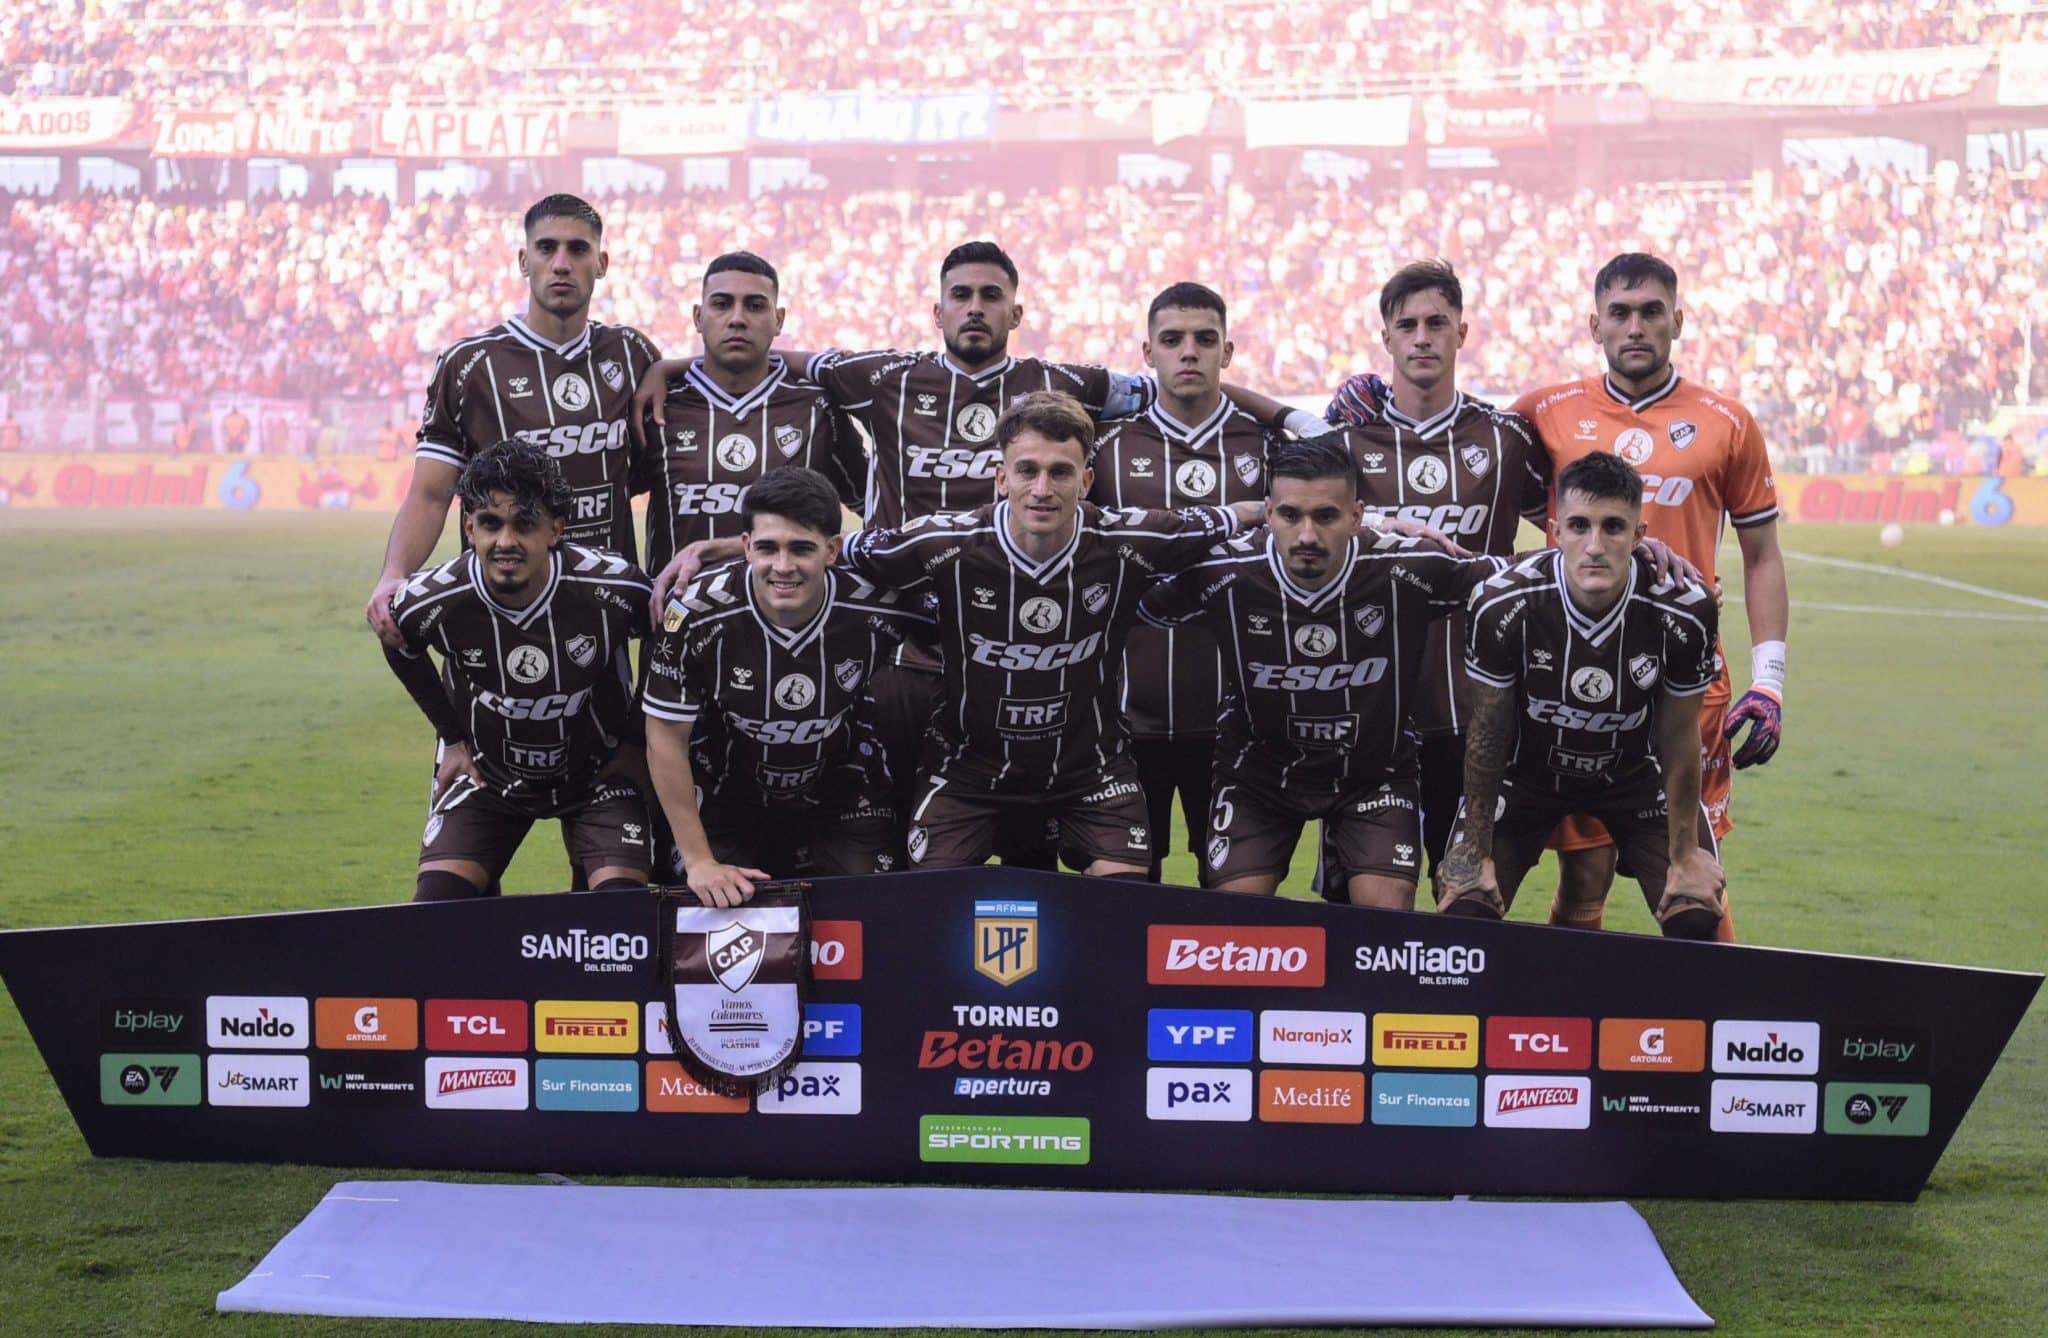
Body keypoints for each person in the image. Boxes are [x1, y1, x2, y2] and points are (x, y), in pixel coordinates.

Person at [634, 241, 1325, 869]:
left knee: (1030, 854)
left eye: (990, 296)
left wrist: (1284, 417)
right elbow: (768, 352)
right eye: (960, 295)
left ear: (1015, 310)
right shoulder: (884, 377)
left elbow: (1180, 383)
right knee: (903, 852)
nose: (974, 308)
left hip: (1022, 644)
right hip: (905, 654)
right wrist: (675, 365)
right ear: (936, 309)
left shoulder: (1064, 382)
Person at [836, 391, 1264, 875]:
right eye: (1027, 471)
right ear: (1002, 478)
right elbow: (831, 549)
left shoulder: (1129, 541)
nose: (1042, 488)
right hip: (966, 769)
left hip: (1091, 770)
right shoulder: (944, 543)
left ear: (1085, 482)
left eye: (1060, 472)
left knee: (1122, 902)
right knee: (933, 902)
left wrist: (1276, 510)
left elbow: (1230, 517)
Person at [364, 194, 661, 891]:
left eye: (578, 250)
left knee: (610, 864)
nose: (562, 263)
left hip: (600, 630)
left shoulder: (632, 354)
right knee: (456, 863)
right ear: (523, 258)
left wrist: (669, 367)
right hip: (493, 621)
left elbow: (664, 477)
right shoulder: (471, 364)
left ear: (601, 263)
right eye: (548, 248)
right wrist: (392, 576)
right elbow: (433, 491)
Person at [1510, 253, 1786, 940]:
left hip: (1685, 679)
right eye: (1621, 313)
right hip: (1575, 677)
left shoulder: (1728, 422)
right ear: (1595, 322)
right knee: (1584, 872)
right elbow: (1472, 476)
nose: (1637, 326)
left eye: (1652, 311)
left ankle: (1717, 1034)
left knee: (1693, 870)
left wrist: (1771, 680)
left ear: (1678, 320)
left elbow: (1761, 555)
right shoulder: (1544, 411)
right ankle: (1564, 1033)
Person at [1138, 436, 1511, 908]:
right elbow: (1130, 598)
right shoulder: (1223, 572)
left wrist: (1624, 563)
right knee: (1234, 923)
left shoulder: (1408, 566)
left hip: (1374, 773)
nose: (1308, 535)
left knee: (1385, 923)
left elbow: (1517, 576)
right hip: (1259, 775)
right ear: (1268, 512)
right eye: (1291, 515)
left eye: (1327, 516)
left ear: (1357, 516)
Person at [1314, 260, 1551, 892]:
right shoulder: (1344, 441)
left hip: (1474, 713)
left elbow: (1576, 524)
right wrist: (1384, 524)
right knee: (1357, 904)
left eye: (1436, 323)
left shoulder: (1507, 441)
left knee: (1467, 895)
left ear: (1462, 333)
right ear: (1386, 339)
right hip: (1367, 710)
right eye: (1408, 325)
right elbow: (1295, 536)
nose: (1422, 337)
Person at [1437, 452, 1726, 939]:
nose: (1595, 545)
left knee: (1694, 913)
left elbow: (1679, 739)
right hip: (1526, 776)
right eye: (1578, 525)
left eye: (1613, 527)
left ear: (1639, 535)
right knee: (1466, 908)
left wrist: (1684, 857)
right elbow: (1488, 734)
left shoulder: (1687, 610)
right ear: (1555, 531)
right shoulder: (1500, 603)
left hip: (1635, 775)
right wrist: (1473, 853)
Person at [383, 440, 653, 902]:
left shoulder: (614, 588)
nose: (505, 541)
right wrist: (450, 737)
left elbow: (669, 642)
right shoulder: (431, 599)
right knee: (433, 916)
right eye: (490, 523)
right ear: (469, 527)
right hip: (487, 776)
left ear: (555, 530)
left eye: (524, 524)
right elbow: (399, 644)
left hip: (597, 778)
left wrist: (633, 741)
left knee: (619, 921)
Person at [642, 468, 925, 907]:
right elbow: (664, 736)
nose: (783, 566)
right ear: (745, 547)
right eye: (768, 548)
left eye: (801, 549)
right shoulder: (696, 611)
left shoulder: (877, 602)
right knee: (711, 914)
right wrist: (699, 861)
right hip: (725, 792)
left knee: (879, 911)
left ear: (832, 550)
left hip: (842, 789)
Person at [1090, 282, 1281, 881]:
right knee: (1126, 898)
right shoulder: (1109, 449)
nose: (1189, 352)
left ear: (1228, 352)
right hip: (1125, 717)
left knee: (1230, 901)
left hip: (1238, 722)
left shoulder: (1269, 448)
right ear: (1147, 354)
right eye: (1172, 340)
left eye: (1205, 339)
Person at [637, 251, 866, 584]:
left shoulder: (818, 408)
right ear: (698, 317)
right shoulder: (660, 406)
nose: (737, 318)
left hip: (794, 624)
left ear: (779, 319)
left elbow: (878, 510)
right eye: (722, 304)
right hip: (680, 622)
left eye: (755, 306)